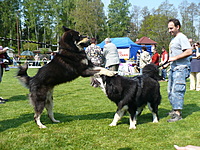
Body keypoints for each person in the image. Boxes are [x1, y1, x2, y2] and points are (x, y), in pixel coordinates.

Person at [167, 18, 192, 122]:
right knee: (170, 90)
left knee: (177, 90)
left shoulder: (182, 37)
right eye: (168, 28)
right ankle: (174, 109)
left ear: (178, 27)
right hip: (173, 67)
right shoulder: (174, 39)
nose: (169, 31)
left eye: (171, 28)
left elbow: (189, 51)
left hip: (181, 68)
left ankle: (178, 114)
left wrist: (175, 58)